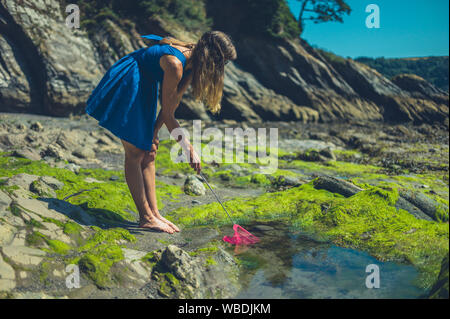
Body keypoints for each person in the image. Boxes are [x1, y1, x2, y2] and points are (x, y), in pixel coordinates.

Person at [86, 31, 237, 234]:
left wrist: (154, 133)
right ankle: (146, 218)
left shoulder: (192, 64)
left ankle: (154, 213)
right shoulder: (175, 63)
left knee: (149, 151)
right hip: (131, 80)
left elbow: (170, 108)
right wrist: (188, 148)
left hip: (145, 84)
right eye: (223, 63)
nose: (222, 69)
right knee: (135, 153)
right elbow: (167, 113)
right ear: (213, 57)